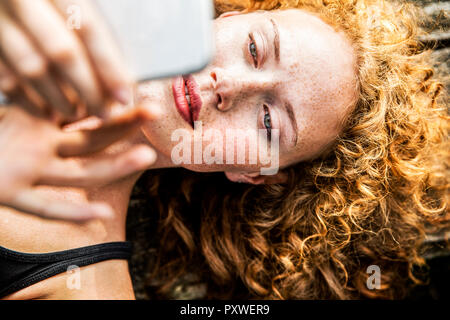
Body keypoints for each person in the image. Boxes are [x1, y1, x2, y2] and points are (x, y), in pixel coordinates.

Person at [0, 0, 448, 299]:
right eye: (254, 48)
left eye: (269, 121)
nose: (228, 86)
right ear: (230, 19)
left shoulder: (84, 289)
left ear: (252, 172)